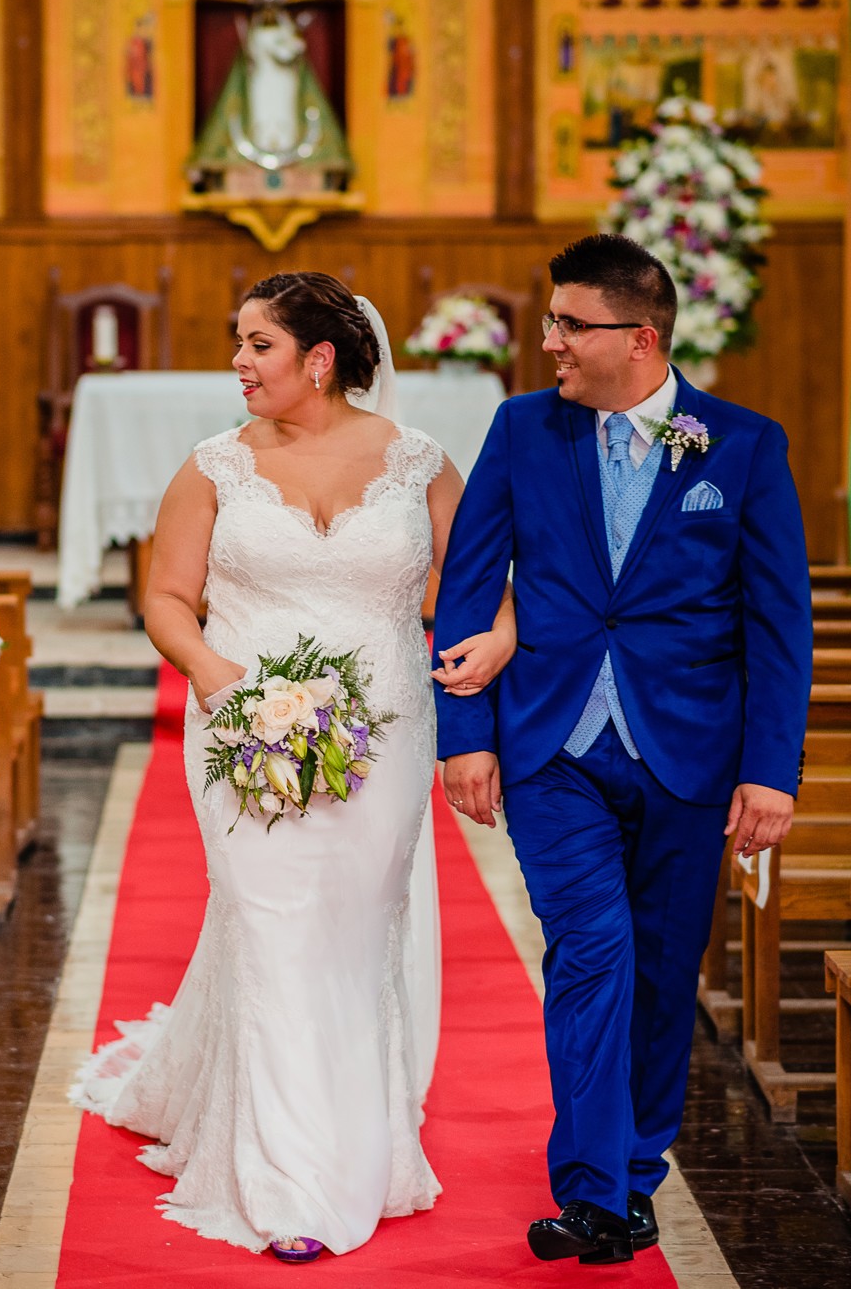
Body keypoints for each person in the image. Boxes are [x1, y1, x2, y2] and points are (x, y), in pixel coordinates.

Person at [71, 271, 517, 1261]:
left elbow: (481, 585)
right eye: (239, 341)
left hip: (388, 734)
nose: (237, 361)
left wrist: (497, 638)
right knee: (271, 926)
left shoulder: (419, 464)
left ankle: (362, 1136)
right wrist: (221, 676)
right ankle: (288, 1181)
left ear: (319, 359)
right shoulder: (212, 467)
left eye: (256, 344)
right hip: (244, 727)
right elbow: (167, 600)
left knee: (354, 934)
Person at [433, 233, 811, 1265]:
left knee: (659, 970)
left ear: (639, 338)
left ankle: (635, 1167)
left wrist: (770, 769)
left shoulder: (739, 446)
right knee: (591, 950)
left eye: (568, 324)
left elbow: (779, 625)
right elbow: (467, 588)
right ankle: (595, 1189)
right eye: (549, 320)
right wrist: (463, 738)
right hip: (553, 746)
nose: (548, 340)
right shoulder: (520, 432)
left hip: (689, 755)